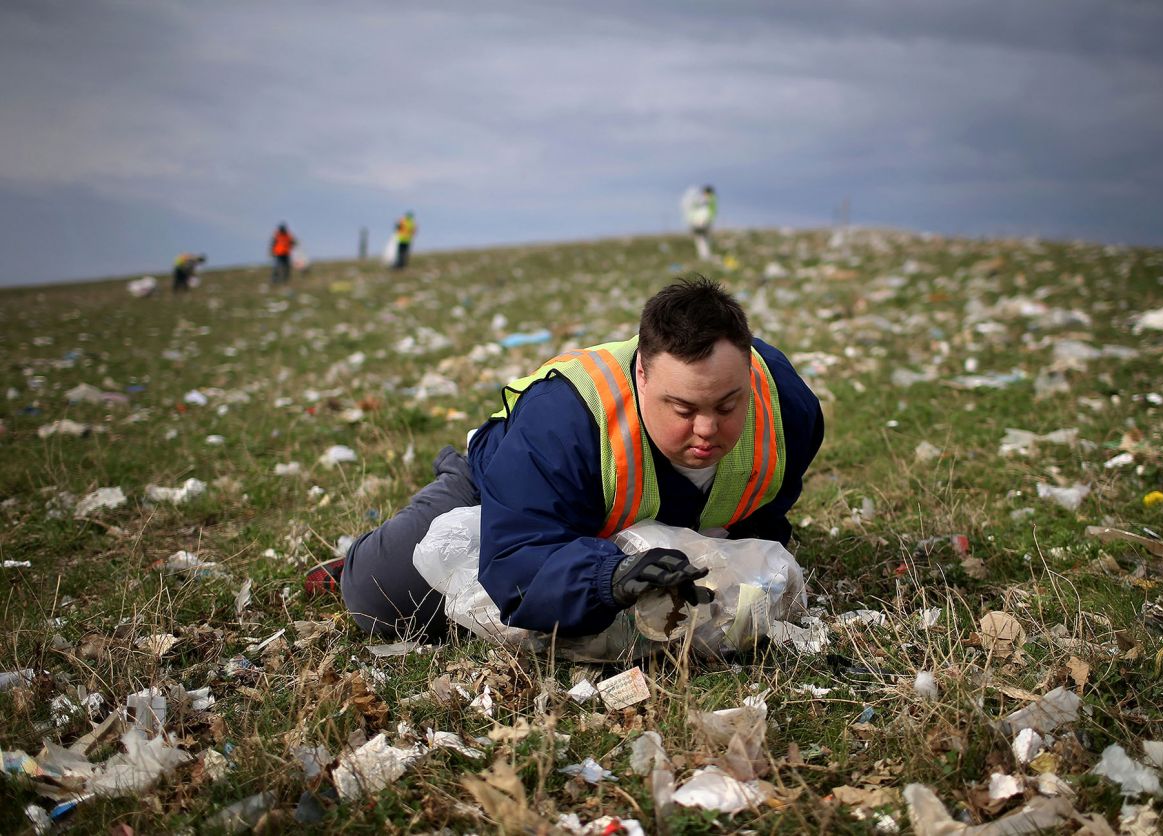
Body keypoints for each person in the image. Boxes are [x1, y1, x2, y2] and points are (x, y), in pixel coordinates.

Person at [307, 277, 824, 642]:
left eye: (727, 405)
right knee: (381, 599)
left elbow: (765, 509)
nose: (708, 429)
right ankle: (394, 527)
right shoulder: (559, 420)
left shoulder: (787, 407)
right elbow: (518, 559)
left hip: (636, 520)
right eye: (684, 409)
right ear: (641, 376)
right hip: (510, 494)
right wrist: (609, 579)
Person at [682, 185, 717, 261]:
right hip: (705, 222)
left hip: (701, 222)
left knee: (701, 239)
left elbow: (695, 209)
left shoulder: (707, 200)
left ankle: (704, 256)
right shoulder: (712, 199)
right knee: (705, 239)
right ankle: (706, 255)